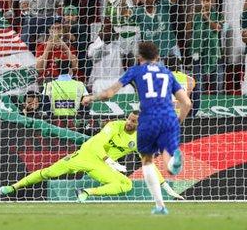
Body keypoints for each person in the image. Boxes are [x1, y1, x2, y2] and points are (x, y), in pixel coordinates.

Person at [82, 41, 192, 214]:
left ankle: (160, 205)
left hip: (148, 119)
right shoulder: (167, 73)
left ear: (139, 57)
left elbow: (108, 94)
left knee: (147, 161)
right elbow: (187, 103)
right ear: (157, 57)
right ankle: (169, 154)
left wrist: (91, 98)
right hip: (168, 118)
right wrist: (179, 121)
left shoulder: (136, 70)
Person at [0, 112, 185, 201]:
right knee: (48, 173)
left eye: (133, 121)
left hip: (101, 166)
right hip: (86, 154)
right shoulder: (114, 125)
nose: (128, 122)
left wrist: (166, 188)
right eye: (128, 118)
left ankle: (87, 192)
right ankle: (13, 187)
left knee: (125, 184)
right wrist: (109, 160)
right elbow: (95, 144)